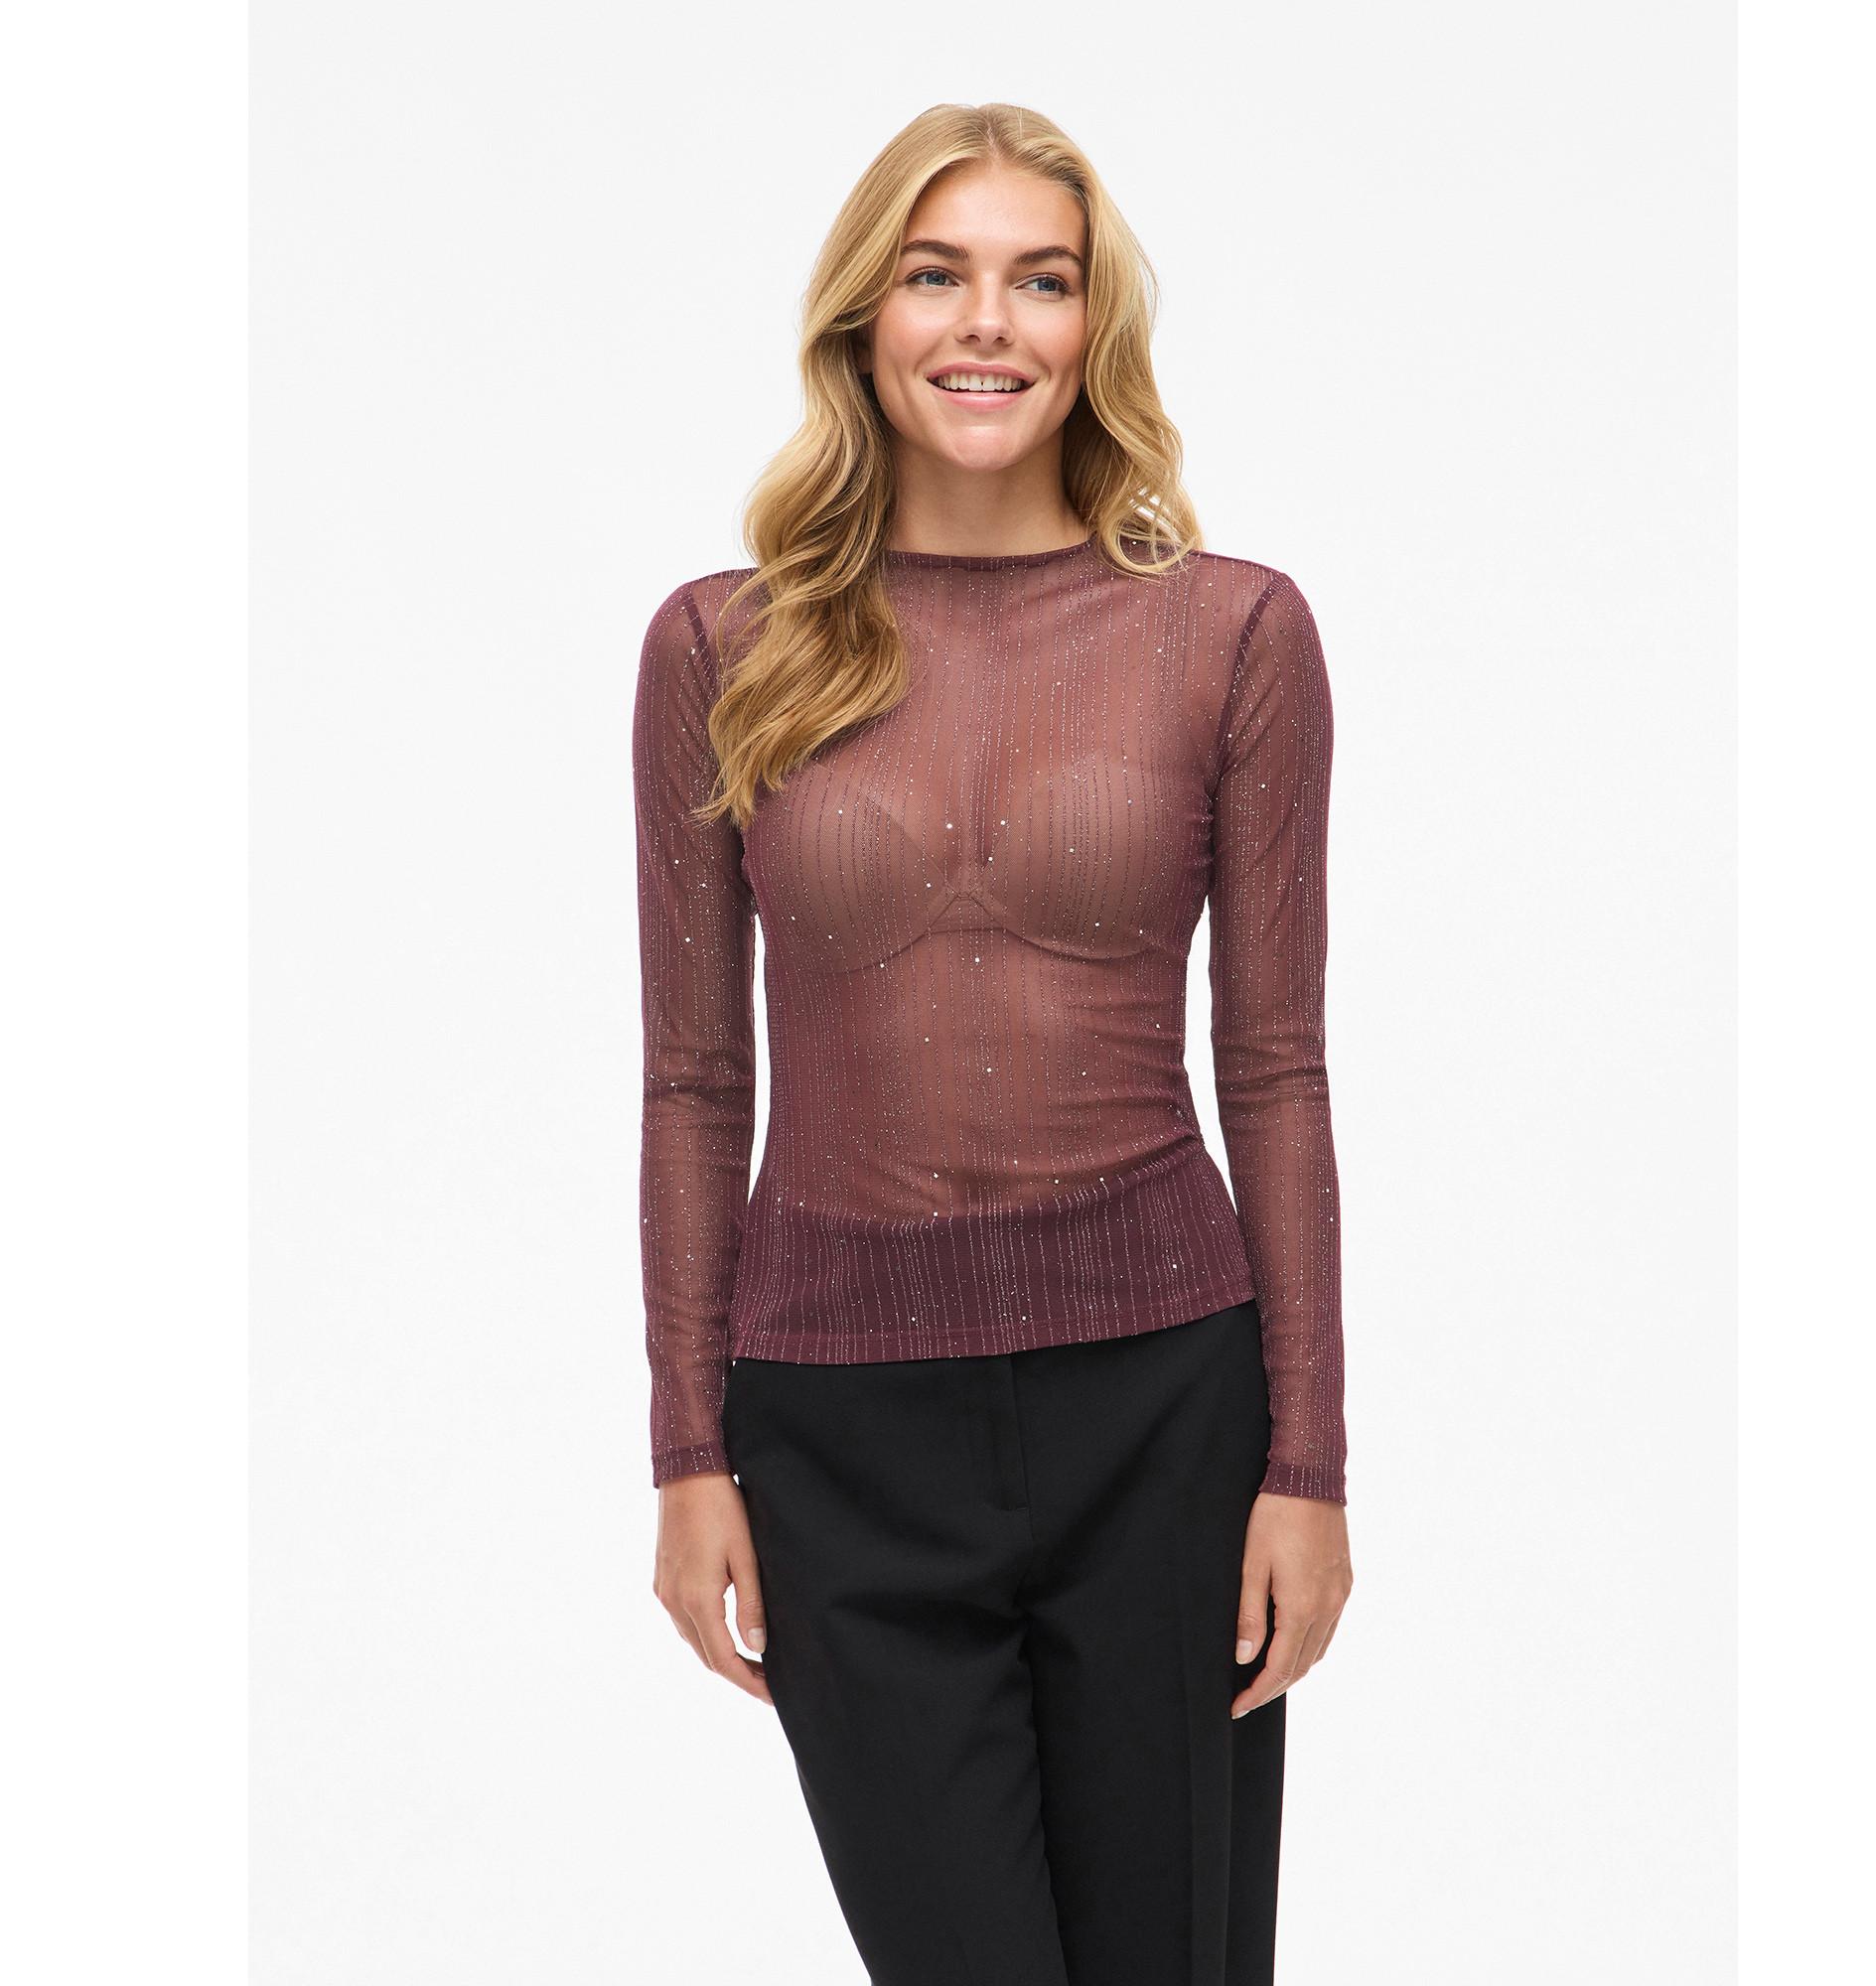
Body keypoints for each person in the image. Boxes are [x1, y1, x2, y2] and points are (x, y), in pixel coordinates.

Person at [634, 100, 1354, 1986]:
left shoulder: (1231, 634)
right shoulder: (723, 646)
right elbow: (696, 1080)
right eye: (936, 274)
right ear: (862, 318)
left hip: (1166, 1418)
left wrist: (1309, 1466)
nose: (987, 323)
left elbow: (1277, 1068)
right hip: (838, 1435)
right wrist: (688, 1446)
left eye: (1042, 280)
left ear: (1094, 325)